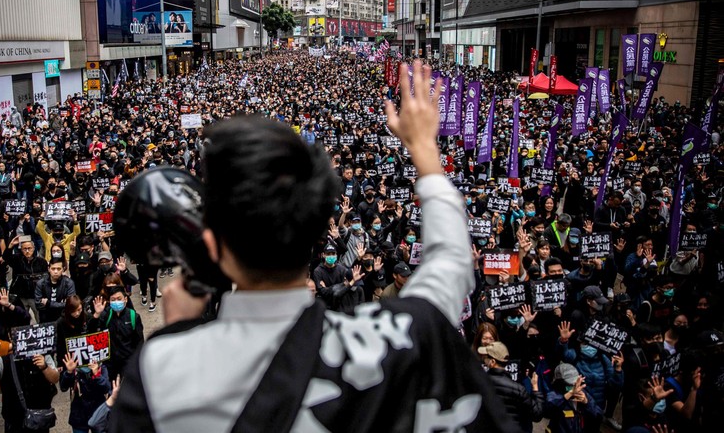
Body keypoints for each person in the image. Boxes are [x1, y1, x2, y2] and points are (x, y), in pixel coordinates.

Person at [109, 61, 513, 432]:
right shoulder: (405, 334)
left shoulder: (162, 374)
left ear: (213, 245)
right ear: (320, 229)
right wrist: (424, 147)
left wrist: (180, 333)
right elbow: (452, 262)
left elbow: (450, 263)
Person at [0, 333, 59, 433]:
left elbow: (55, 378)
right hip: (13, 421)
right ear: (9, 336)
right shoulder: (4, 360)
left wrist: (44, 367)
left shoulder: (42, 355)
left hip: (39, 420)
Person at [478, 342, 544, 432]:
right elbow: (537, 415)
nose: (483, 359)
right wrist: (535, 388)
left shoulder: (479, 383)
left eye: (486, 357)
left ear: (493, 362)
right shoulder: (518, 389)